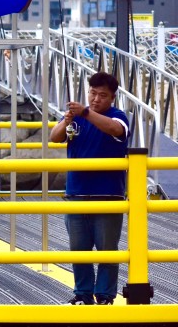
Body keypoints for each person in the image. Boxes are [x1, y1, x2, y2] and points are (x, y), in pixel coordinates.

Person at [49, 71, 130, 305]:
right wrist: (67, 120)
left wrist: (86, 112)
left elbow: (116, 130)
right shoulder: (76, 117)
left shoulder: (118, 116)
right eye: (93, 93)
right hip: (76, 194)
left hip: (108, 195)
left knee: (107, 249)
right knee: (79, 249)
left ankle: (105, 295)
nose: (96, 99)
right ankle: (82, 294)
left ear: (112, 97)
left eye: (102, 95)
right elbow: (55, 138)